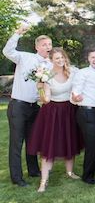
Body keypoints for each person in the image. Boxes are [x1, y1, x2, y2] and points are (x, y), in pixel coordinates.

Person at [3, 25, 52, 187]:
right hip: (18, 106)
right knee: (17, 142)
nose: (48, 47)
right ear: (37, 47)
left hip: (35, 107)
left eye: (49, 44)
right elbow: (7, 51)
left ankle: (33, 170)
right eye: (44, 44)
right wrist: (17, 33)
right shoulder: (25, 57)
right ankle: (17, 178)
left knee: (33, 141)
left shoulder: (50, 65)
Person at [27, 47, 82, 192]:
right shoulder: (47, 76)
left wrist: (77, 96)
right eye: (57, 58)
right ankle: (43, 181)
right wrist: (40, 87)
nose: (60, 60)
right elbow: (46, 100)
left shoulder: (73, 72)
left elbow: (77, 90)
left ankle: (70, 172)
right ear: (51, 60)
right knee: (48, 144)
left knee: (69, 140)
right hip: (52, 112)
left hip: (69, 110)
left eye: (62, 57)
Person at [72, 47, 95, 185]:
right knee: (91, 144)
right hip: (87, 111)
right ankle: (87, 175)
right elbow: (76, 88)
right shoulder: (83, 73)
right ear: (88, 59)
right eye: (92, 57)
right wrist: (75, 96)